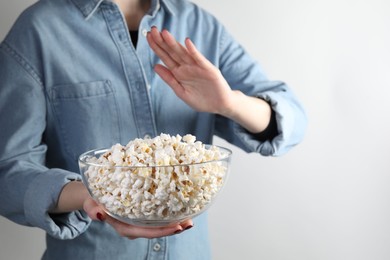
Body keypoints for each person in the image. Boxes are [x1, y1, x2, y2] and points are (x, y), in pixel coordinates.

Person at [0, 0, 307, 259]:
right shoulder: (39, 30)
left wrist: (229, 103)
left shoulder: (199, 27)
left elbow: (292, 120)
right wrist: (93, 196)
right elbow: (8, 172)